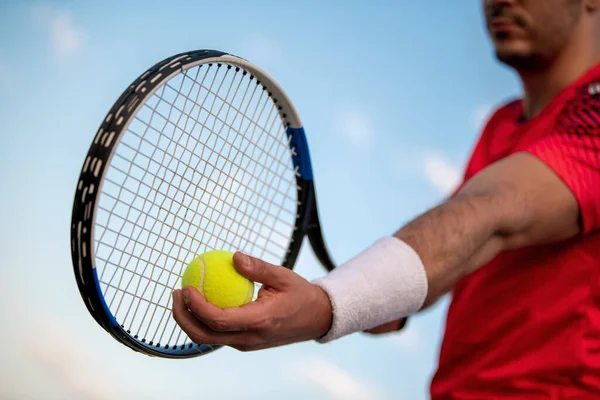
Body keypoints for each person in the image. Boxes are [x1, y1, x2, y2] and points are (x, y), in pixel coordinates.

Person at [172, 0, 600, 397]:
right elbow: (456, 249)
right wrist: (381, 300)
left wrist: (330, 302)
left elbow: (490, 214)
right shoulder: (502, 122)